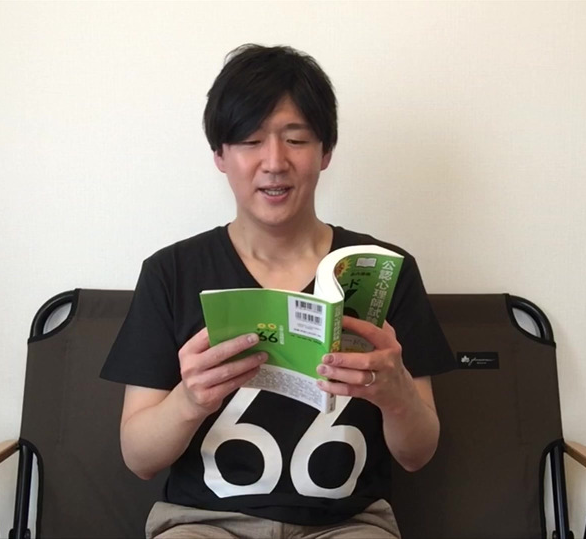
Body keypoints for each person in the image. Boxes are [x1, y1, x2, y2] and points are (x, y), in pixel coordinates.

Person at [100, 44, 455, 539]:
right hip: (203, 524)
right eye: (250, 140)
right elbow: (139, 458)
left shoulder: (381, 270)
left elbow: (418, 454)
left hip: (347, 525)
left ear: (325, 152)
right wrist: (190, 400)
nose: (274, 162)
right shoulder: (172, 272)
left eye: (296, 139)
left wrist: (396, 397)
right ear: (220, 155)